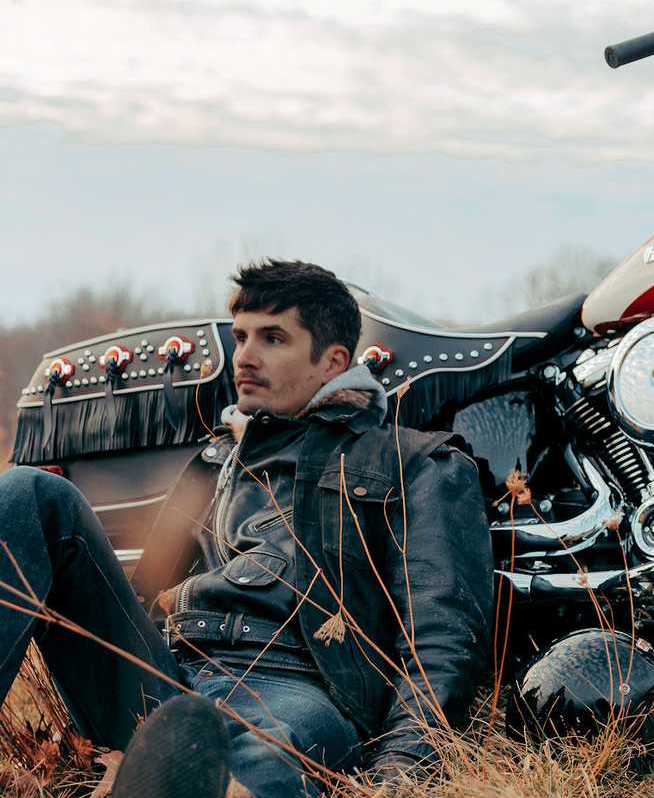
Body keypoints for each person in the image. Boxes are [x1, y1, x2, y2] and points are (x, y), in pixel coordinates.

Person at [0, 259, 493, 798]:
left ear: (333, 362)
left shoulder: (417, 462)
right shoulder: (218, 460)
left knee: (247, 762)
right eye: (240, 337)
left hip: (297, 686)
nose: (245, 357)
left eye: (273, 338)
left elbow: (441, 640)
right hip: (170, 676)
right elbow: (139, 602)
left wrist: (397, 776)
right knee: (30, 493)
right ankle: (172, 763)